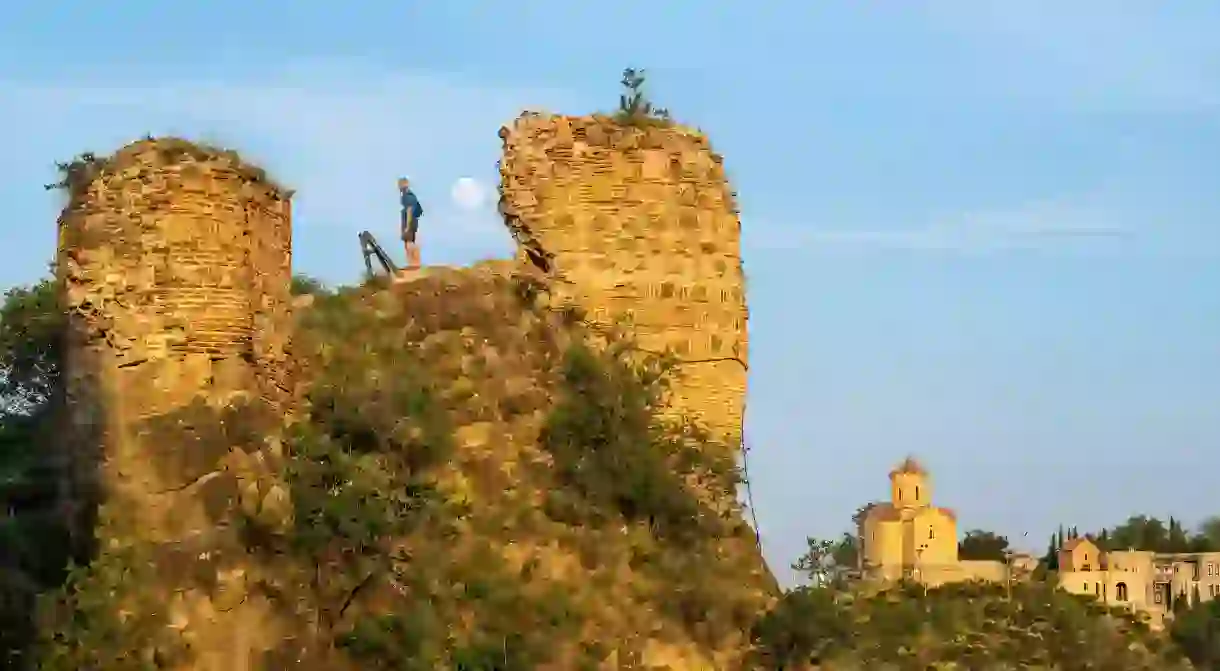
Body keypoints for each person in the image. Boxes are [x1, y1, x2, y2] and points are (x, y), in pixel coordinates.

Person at [398, 177, 424, 271]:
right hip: (413, 221)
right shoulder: (411, 196)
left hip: (409, 221)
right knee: (411, 242)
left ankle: (413, 264)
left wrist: (407, 226)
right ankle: (415, 263)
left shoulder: (406, 196)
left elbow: (409, 210)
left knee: (408, 244)